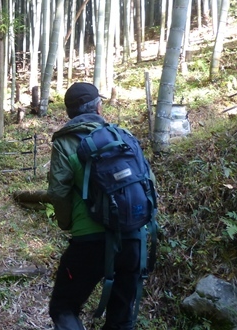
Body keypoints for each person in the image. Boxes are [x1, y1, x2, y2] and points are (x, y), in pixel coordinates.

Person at [47, 82, 144, 330]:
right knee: (121, 318)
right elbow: (147, 183)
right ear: (99, 108)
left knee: (63, 307)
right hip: (133, 239)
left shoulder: (66, 141)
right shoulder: (122, 136)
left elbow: (58, 192)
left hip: (89, 243)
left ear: (69, 113)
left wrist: (67, 222)